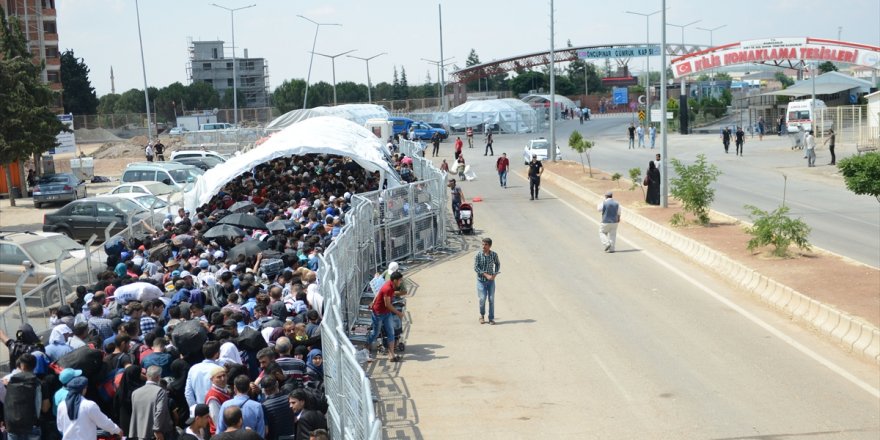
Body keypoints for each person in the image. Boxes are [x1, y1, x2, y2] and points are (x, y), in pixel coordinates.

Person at [56, 376, 123, 440]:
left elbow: (60, 428)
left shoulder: (61, 405)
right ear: (84, 389)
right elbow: (103, 422)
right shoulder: (89, 405)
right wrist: (117, 430)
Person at [3, 353, 49, 440]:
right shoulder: (40, 383)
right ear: (35, 365)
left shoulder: (10, 381)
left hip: (12, 427)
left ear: (21, 365)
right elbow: (45, 408)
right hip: (32, 426)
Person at [366, 271, 406, 362]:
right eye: (400, 280)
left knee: (391, 333)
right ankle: (367, 345)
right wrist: (398, 313)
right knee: (376, 333)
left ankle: (391, 354)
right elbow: (387, 304)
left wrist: (373, 301)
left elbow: (379, 293)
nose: (401, 282)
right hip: (378, 313)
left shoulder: (390, 285)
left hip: (387, 313)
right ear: (395, 280)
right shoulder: (388, 288)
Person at [130, 365, 174, 440]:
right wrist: (157, 430)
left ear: (147, 375)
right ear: (158, 377)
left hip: (140, 432)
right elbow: (160, 411)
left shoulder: (135, 393)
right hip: (156, 434)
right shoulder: (160, 391)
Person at [474, 237, 500, 325]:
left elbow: (497, 264)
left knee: (491, 299)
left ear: (490, 246)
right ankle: (481, 315)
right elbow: (476, 268)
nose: (483, 246)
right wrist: (486, 275)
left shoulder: (494, 255)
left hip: (491, 282)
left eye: (486, 245)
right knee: (482, 298)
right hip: (481, 281)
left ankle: (491, 318)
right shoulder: (478, 255)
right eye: (483, 244)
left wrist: (494, 275)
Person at [260, 376, 294, 440]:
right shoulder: (290, 399)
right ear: (277, 384)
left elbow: (266, 430)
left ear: (264, 390)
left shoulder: (263, 406)